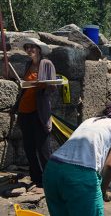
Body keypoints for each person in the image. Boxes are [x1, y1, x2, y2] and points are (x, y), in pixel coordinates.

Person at [43, 102, 111, 215]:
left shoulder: (90, 121)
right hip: (80, 176)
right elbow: (110, 165)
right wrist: (102, 191)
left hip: (52, 170)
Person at [11, 37, 56, 191]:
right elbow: (24, 89)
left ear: (39, 49)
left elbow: (52, 88)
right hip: (24, 111)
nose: (29, 50)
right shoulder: (28, 65)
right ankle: (36, 179)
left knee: (43, 149)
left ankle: (49, 179)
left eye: (32, 47)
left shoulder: (46, 64)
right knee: (29, 147)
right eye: (27, 47)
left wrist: (41, 85)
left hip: (39, 112)